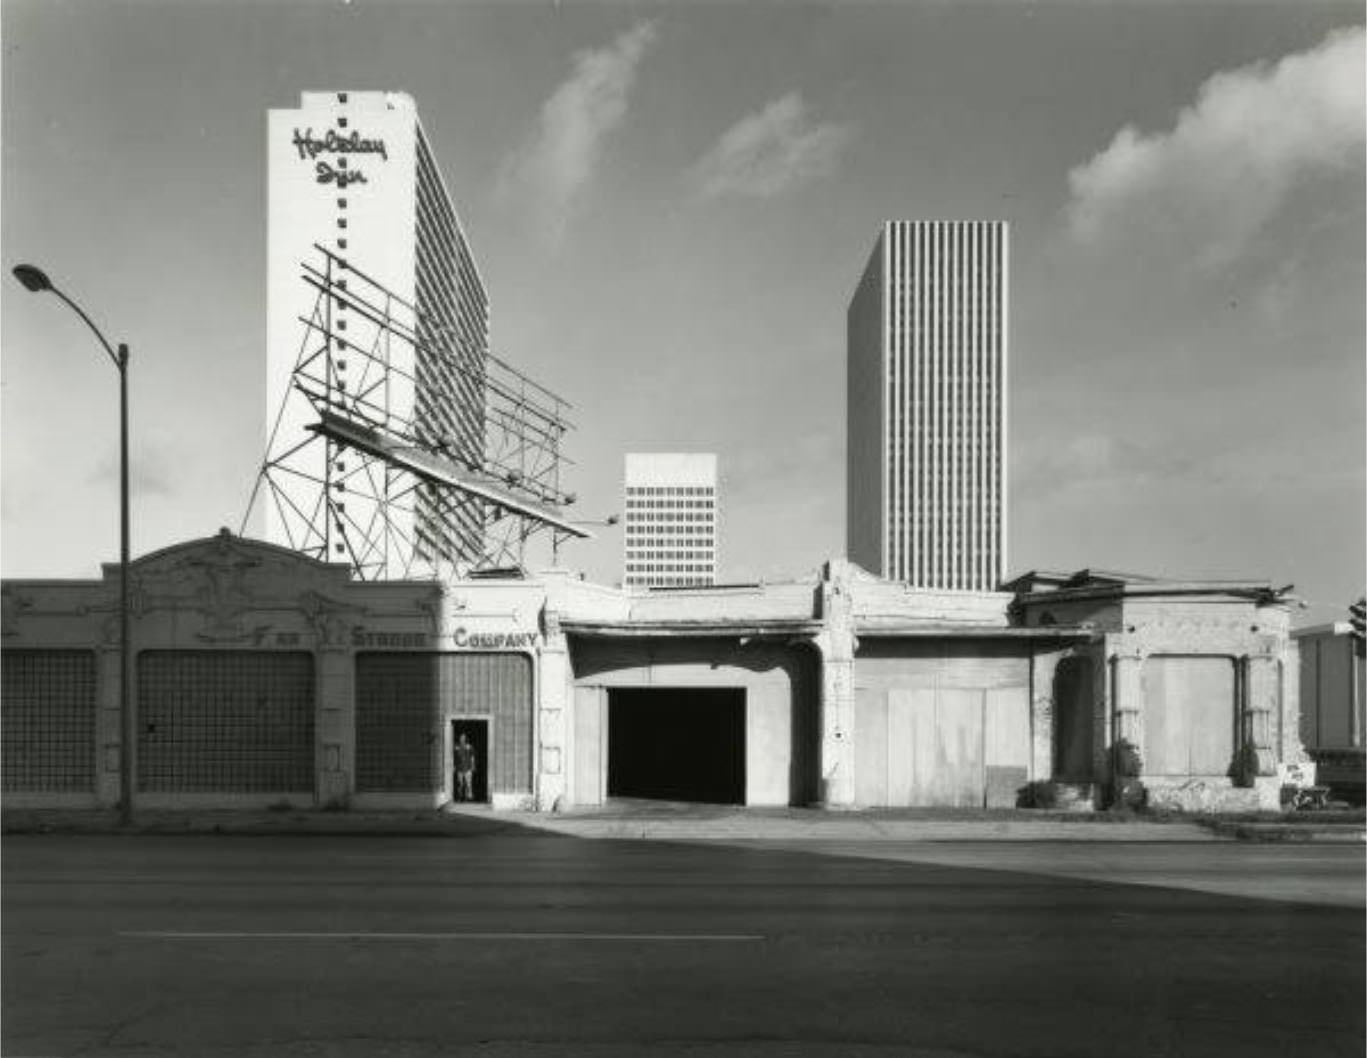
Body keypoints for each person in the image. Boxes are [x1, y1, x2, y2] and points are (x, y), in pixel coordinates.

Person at [454, 733, 476, 803]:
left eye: (463, 738)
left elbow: (472, 757)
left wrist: (473, 766)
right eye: (461, 738)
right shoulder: (456, 747)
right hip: (459, 768)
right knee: (460, 784)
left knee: (468, 784)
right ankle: (460, 797)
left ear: (466, 739)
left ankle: (467, 798)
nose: (462, 739)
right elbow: (454, 757)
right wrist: (453, 766)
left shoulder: (469, 747)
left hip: (468, 768)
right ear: (459, 739)